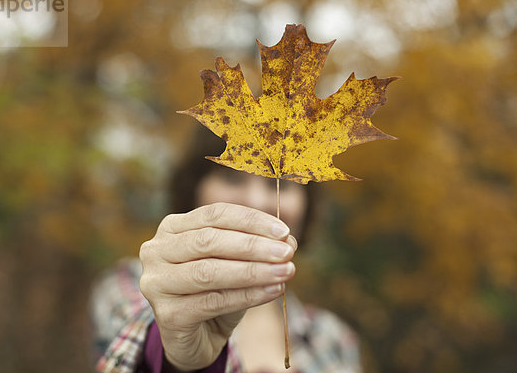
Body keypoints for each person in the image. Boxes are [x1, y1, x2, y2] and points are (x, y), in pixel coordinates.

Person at [91, 127, 362, 373]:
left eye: (279, 182)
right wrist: (178, 357)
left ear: (306, 206)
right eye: (232, 177)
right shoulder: (135, 284)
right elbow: (131, 343)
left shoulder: (333, 339)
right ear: (193, 191)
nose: (255, 201)